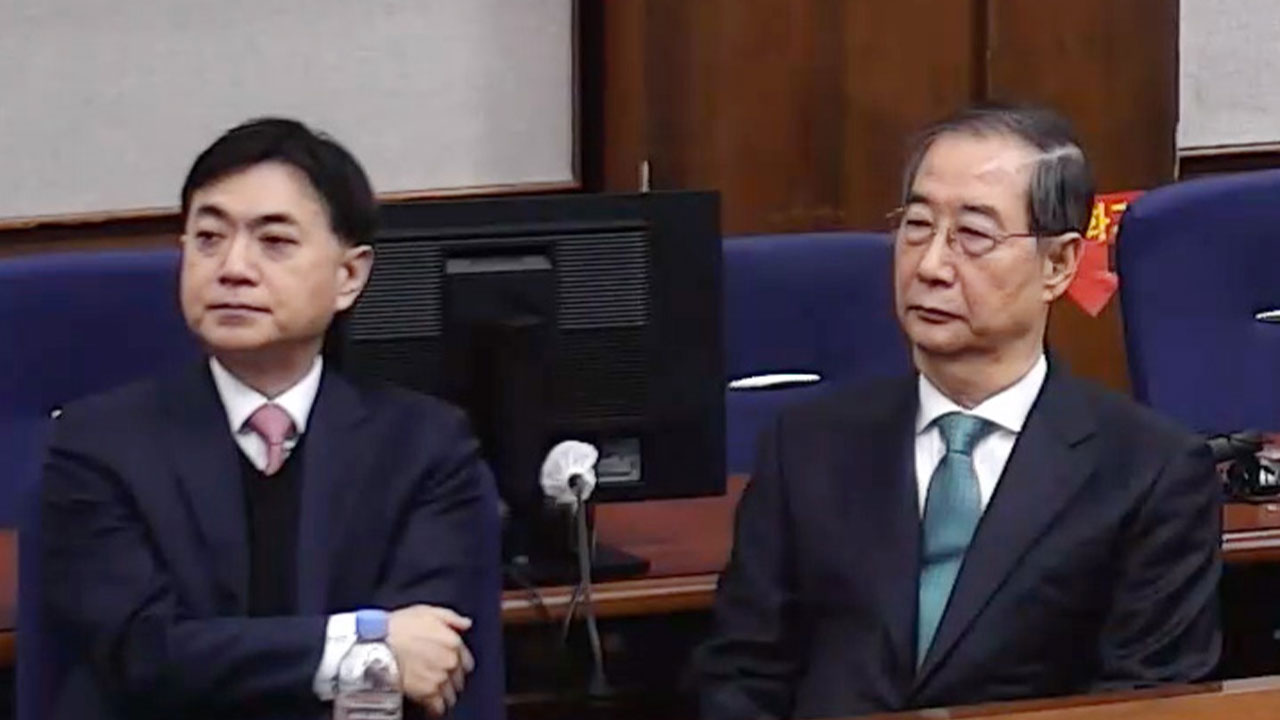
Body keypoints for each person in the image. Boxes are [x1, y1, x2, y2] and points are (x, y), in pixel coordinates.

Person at [696, 104, 1221, 719]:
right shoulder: (808, 445)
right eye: (918, 226)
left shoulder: (1150, 473)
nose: (930, 266)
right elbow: (741, 673)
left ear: (1058, 264)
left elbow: (1144, 703)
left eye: (973, 236)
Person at [40, 118, 502, 720]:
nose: (232, 267)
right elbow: (143, 656)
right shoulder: (98, 443)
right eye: (209, 238)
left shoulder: (426, 448)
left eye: (275, 242)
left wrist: (369, 661)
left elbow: (421, 668)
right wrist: (355, 646)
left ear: (349, 276)